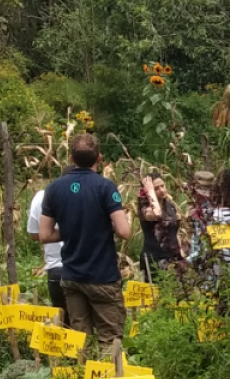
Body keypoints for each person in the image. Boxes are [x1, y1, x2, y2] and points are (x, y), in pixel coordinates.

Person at [37, 133, 132, 363]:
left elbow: (44, 235)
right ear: (99, 158)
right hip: (102, 276)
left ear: (71, 158)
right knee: (109, 338)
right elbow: (124, 231)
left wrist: (72, 229)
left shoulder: (53, 189)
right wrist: (99, 225)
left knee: (81, 338)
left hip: (72, 276)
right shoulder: (105, 187)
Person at [136, 170, 182, 276]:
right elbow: (157, 213)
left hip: (172, 258)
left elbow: (174, 231)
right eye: (156, 188)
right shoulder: (146, 209)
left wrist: (180, 254)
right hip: (154, 260)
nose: (161, 190)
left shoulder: (170, 206)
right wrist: (150, 191)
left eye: (162, 186)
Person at [27, 186, 65, 310]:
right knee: (83, 322)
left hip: (55, 268)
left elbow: (34, 234)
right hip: (84, 268)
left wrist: (49, 233)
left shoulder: (41, 196)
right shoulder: (89, 192)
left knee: (63, 322)